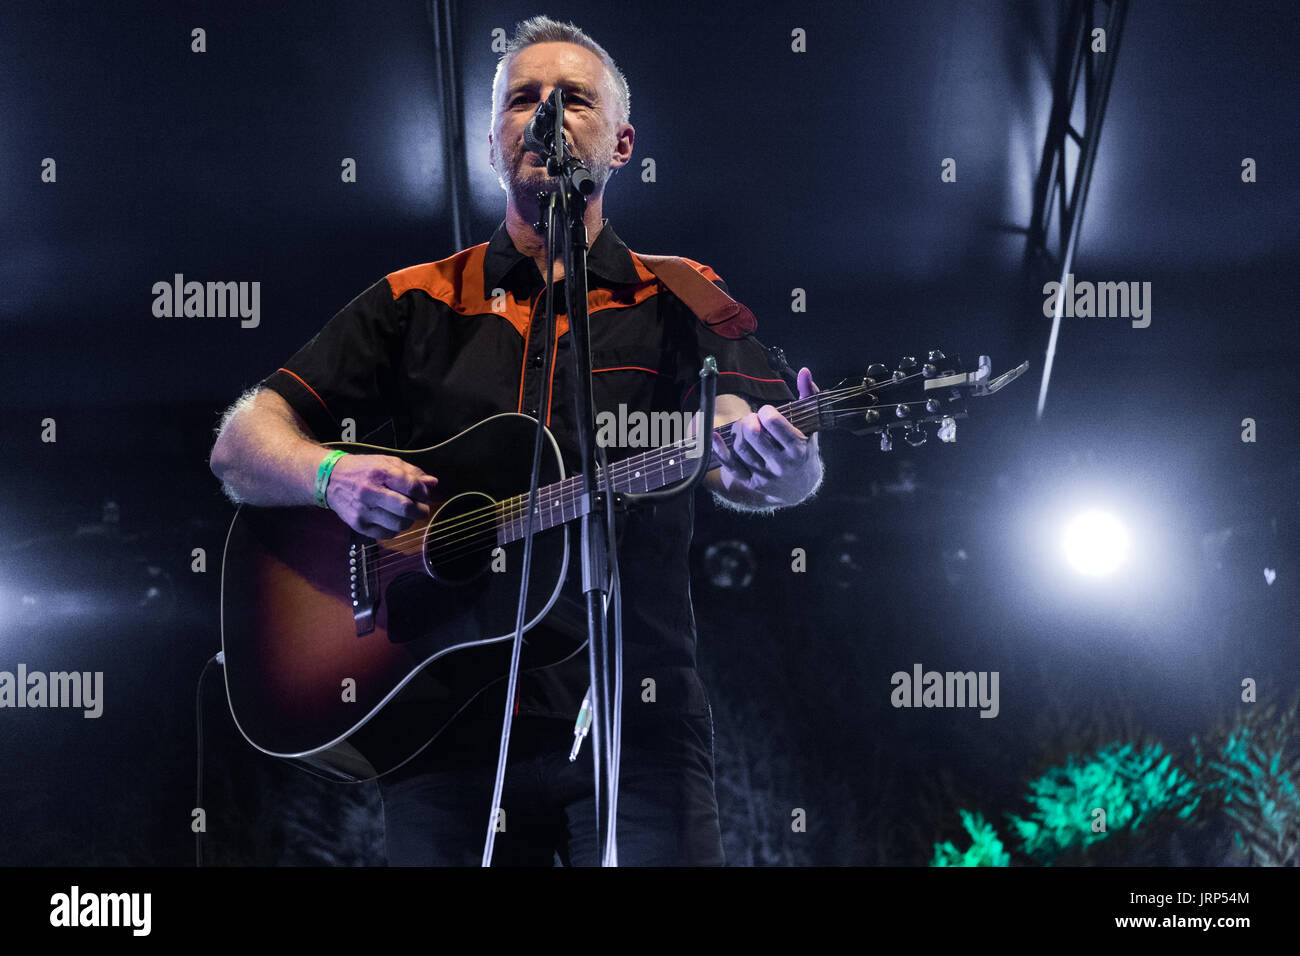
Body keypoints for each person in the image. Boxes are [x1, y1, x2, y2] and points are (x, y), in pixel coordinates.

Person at [208, 15, 823, 866]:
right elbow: (241, 442)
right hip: (445, 719)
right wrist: (329, 477)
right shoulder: (414, 300)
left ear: (621, 143)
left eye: (574, 99)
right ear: (493, 145)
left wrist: (777, 459)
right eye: (523, 100)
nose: (547, 115)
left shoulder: (682, 294)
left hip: (634, 716)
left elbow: (748, 451)